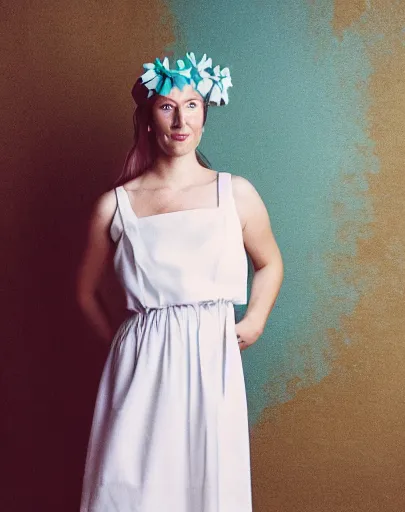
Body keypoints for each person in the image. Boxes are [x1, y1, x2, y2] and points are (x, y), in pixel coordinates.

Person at [76, 52, 284, 512]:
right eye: (167, 106)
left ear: (205, 115)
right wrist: (124, 343)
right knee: (129, 486)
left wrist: (254, 321)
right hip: (140, 364)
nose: (180, 118)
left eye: (191, 105)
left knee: (203, 483)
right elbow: (86, 293)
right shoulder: (115, 205)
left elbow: (270, 263)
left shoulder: (236, 193)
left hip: (211, 358)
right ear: (149, 119)